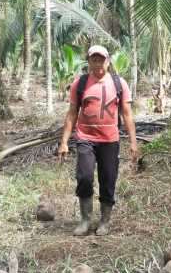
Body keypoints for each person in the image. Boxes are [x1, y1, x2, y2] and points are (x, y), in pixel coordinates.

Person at [58, 45, 138, 236]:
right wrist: (64, 142)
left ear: (108, 61)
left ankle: (104, 221)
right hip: (85, 138)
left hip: (110, 140)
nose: (98, 63)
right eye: (94, 59)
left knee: (108, 179)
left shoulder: (119, 84)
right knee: (84, 177)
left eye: (101, 59)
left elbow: (127, 115)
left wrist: (134, 142)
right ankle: (85, 219)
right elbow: (71, 114)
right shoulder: (80, 83)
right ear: (89, 62)